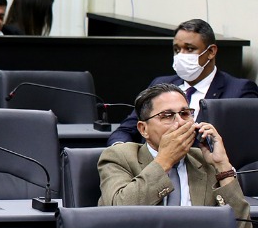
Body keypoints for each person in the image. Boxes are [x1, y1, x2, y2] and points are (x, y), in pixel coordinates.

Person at [99, 83, 252, 228]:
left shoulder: (205, 160)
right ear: (143, 129)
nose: (180, 123)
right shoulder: (119, 156)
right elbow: (118, 215)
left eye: (185, 114)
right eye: (167, 116)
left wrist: (222, 165)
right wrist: (164, 161)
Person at [108, 18, 258, 145]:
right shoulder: (160, 84)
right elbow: (126, 129)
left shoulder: (239, 91)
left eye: (190, 49)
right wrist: (121, 152)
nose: (181, 55)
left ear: (211, 52)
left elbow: (245, 144)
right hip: (153, 165)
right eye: (177, 49)